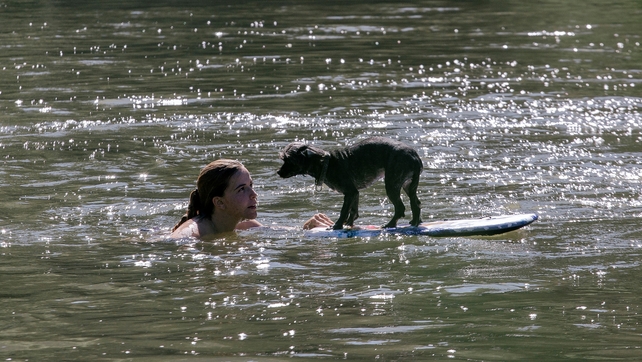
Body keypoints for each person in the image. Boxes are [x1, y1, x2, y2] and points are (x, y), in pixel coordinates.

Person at [171, 159, 333, 239]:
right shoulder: (192, 235)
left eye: (251, 185)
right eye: (242, 189)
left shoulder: (246, 225)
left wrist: (307, 228)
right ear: (219, 202)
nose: (254, 194)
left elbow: (287, 234)